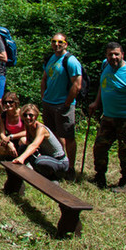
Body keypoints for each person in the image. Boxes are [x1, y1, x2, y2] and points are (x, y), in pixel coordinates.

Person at [88, 42, 126, 190]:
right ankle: (100, 177)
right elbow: (104, 84)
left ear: (122, 55)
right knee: (99, 148)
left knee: (125, 152)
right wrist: (96, 102)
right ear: (106, 56)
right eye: (110, 54)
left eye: (116, 54)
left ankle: (124, 182)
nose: (113, 57)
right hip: (108, 117)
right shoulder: (105, 66)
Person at [41, 33, 82, 179]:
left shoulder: (70, 61)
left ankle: (70, 168)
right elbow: (45, 78)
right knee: (53, 135)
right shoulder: (51, 58)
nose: (56, 44)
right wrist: (43, 97)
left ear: (66, 44)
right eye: (54, 41)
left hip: (63, 105)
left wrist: (66, 104)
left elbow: (77, 84)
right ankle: (58, 163)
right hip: (49, 103)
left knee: (68, 136)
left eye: (60, 42)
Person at [12, 104, 69, 180]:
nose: (28, 118)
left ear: (35, 116)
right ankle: (29, 172)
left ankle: (55, 176)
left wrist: (21, 158)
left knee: (39, 161)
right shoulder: (29, 127)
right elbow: (29, 142)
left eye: (31, 115)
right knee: (23, 147)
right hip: (46, 156)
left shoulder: (41, 129)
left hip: (60, 161)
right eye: (25, 115)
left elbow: (34, 145)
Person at [0, 91, 25, 160]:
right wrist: (8, 143)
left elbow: (26, 132)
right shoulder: (3, 116)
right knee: (0, 149)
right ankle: (11, 156)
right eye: (5, 102)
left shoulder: (22, 114)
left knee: (23, 140)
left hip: (21, 138)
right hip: (10, 140)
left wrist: (11, 137)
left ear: (16, 102)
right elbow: (1, 133)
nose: (8, 104)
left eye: (10, 102)